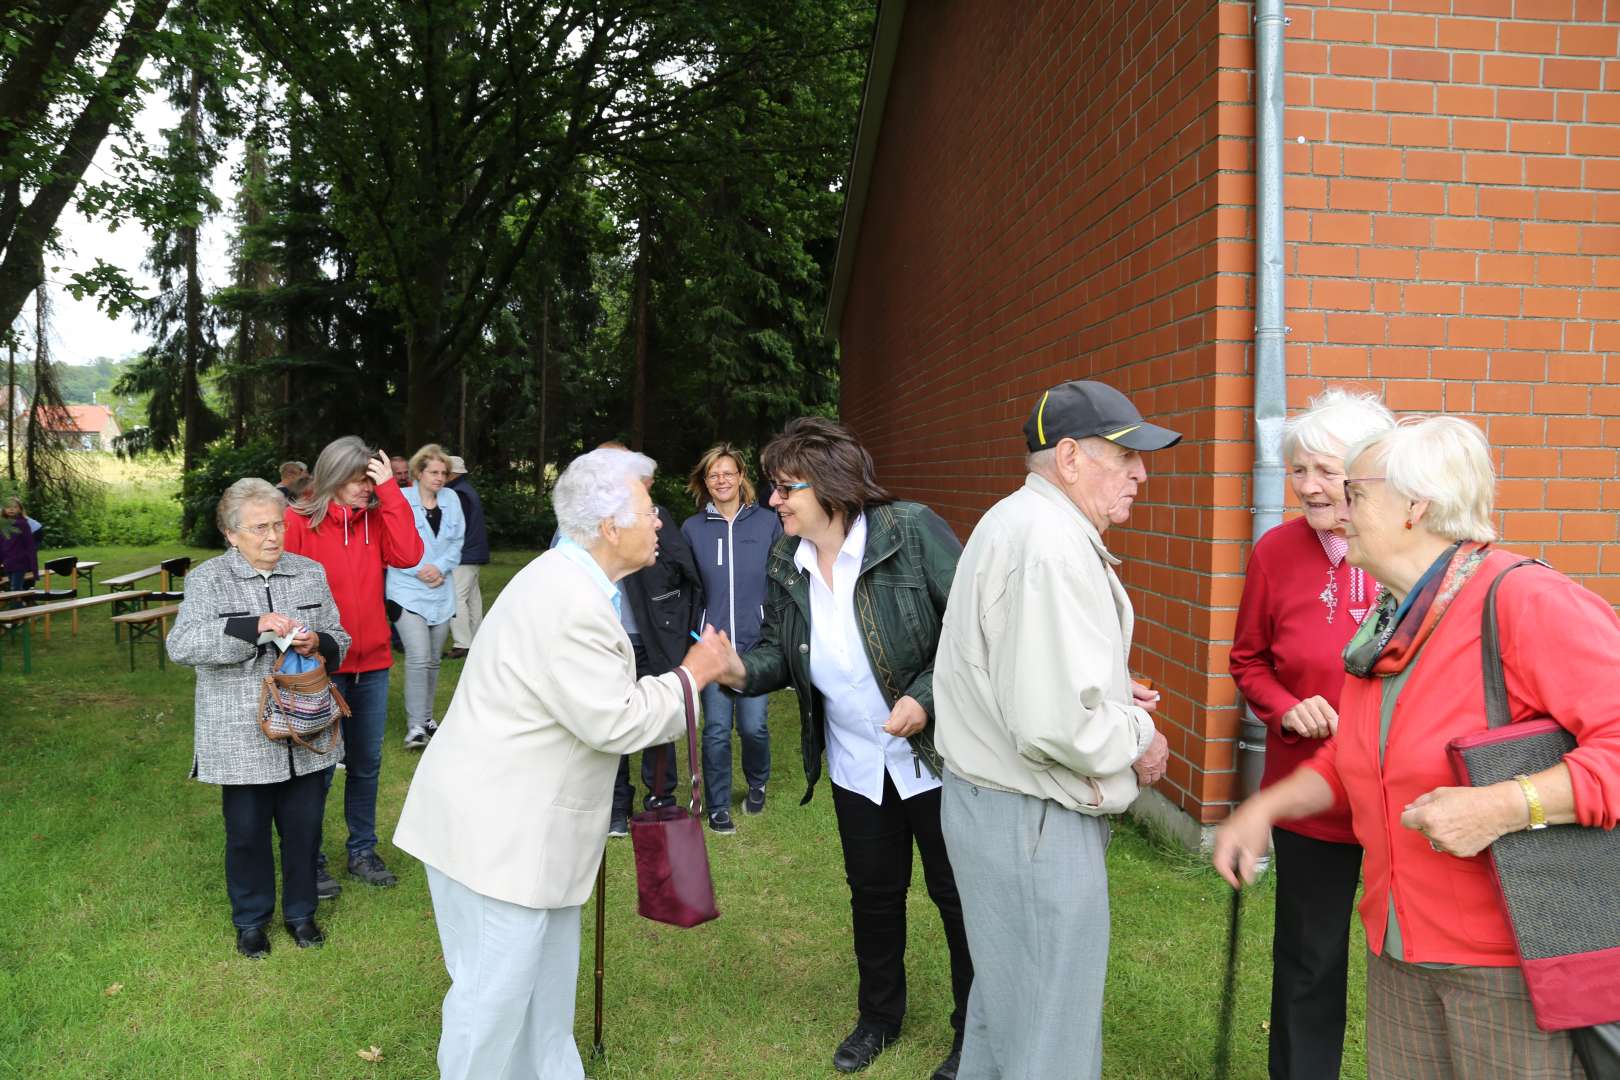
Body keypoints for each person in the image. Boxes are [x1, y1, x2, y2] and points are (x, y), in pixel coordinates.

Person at [1215, 416, 1620, 1079]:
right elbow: (1360, 762)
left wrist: (1506, 805)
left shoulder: (1523, 600)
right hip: (1400, 953)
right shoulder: (1394, 612)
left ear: (1417, 507)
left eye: (1356, 490)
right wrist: (1265, 809)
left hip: (1510, 968)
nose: (1337, 504)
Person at [393, 447, 733, 1080]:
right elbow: (617, 721)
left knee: (543, 996)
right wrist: (693, 676)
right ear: (610, 526)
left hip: (525, 835)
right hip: (499, 839)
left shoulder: (569, 580)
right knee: (491, 1003)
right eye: (646, 507)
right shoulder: (570, 600)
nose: (660, 520)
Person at [932, 379, 1177, 1080]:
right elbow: (1055, 725)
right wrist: (1138, 736)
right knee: (1050, 1038)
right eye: (1125, 456)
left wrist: (1099, 675)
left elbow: (1015, 667)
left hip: (998, 810)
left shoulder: (1023, 523)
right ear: (1069, 457)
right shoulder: (1049, 544)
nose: (1141, 473)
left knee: (1006, 1013)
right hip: (1031, 820)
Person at [715, 417, 971, 1079]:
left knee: (957, 895)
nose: (773, 501)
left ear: (828, 485)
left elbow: (975, 627)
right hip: (859, 764)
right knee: (874, 895)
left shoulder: (909, 532)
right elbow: (781, 649)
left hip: (940, 759)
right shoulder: (786, 559)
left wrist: (924, 696)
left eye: (783, 487)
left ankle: (976, 1030)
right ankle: (879, 1018)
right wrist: (741, 670)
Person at [1228, 388, 1395, 1080]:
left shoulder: (1407, 546)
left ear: (1365, 472)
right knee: (1309, 956)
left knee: (1410, 961)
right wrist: (1286, 705)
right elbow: (1248, 660)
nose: (1308, 486)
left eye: (1324, 471)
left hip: (1396, 794)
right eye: (1298, 471)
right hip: (1308, 795)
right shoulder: (1275, 552)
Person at [166, 479, 350, 957]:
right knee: (246, 834)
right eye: (259, 528)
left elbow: (341, 639)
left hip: (307, 729)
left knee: (305, 827)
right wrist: (255, 627)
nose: (273, 537)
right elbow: (183, 646)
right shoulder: (208, 580)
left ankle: (301, 915)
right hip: (240, 733)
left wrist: (319, 644)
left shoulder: (309, 572)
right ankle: (251, 920)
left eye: (278, 526)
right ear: (231, 533)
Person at [285, 437, 423, 892]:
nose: (366, 488)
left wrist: (392, 495)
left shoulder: (378, 518)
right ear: (331, 476)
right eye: (358, 479)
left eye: (371, 479)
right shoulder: (299, 522)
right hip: (320, 664)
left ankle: (362, 850)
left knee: (366, 765)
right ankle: (311, 858)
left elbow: (409, 555)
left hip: (374, 663)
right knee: (319, 768)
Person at [682, 443, 781, 823]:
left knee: (754, 726)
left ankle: (758, 782)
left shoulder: (768, 523)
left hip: (755, 647)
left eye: (728, 472)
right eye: (713, 474)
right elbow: (685, 587)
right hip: (711, 648)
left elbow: (782, 581)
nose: (721, 480)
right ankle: (718, 805)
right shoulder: (692, 529)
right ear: (704, 482)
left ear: (741, 477)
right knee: (717, 730)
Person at [607, 448, 704, 836]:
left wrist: (678, 619)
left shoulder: (658, 518)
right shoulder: (586, 522)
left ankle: (661, 798)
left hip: (651, 637)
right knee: (610, 721)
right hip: (607, 641)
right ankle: (615, 804)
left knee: (656, 714)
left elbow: (686, 572)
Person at [387, 444, 464, 748]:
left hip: (440, 590)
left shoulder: (452, 499)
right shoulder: (401, 500)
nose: (440, 478)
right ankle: (415, 728)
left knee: (433, 661)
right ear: (418, 473)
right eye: (433, 472)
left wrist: (440, 568)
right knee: (418, 658)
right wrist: (419, 569)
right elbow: (391, 543)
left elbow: (457, 541)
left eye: (444, 473)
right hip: (407, 591)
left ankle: (428, 719)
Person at [445, 455, 487, 659]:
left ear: (452, 473)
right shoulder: (466, 490)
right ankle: (478, 639)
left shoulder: (457, 494)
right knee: (472, 599)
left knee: (456, 598)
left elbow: (455, 527)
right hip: (473, 552)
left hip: (463, 554)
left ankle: (462, 643)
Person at [0, 497, 39, 594]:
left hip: (20, 561)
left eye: (15, 507)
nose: (11, 509)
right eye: (8, 507)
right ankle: (21, 605)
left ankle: (17, 608)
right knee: (13, 588)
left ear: (20, 509)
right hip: (7, 562)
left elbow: (30, 545)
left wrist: (34, 567)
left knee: (15, 589)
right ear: (4, 509)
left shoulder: (23, 524)